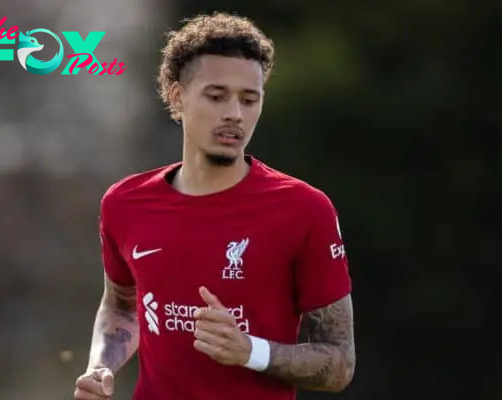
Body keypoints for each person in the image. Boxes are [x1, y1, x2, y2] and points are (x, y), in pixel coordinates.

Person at [74, 11, 355, 400]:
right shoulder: (124, 203)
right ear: (177, 97)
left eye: (249, 99)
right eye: (217, 95)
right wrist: (100, 367)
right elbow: (122, 306)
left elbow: (339, 363)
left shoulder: (305, 209)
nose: (234, 114)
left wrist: (250, 352)